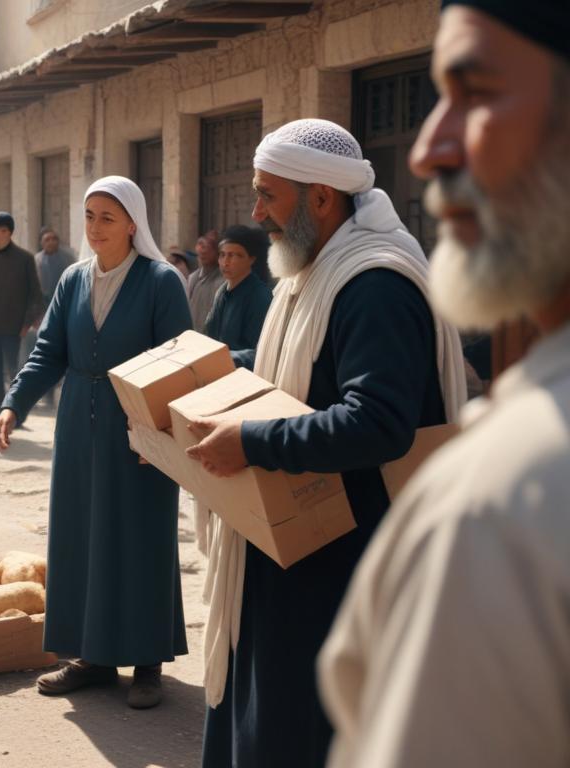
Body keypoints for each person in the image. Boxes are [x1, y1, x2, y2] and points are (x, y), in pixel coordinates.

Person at [320, 4, 570, 766]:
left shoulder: (504, 502)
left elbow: (376, 420)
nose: (428, 150)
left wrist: (254, 436)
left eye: (478, 92)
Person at [186, 118, 467, 768]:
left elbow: (377, 422)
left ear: (321, 197)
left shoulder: (375, 285)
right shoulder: (307, 273)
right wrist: (205, 378)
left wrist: (252, 443)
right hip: (286, 548)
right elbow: (296, 367)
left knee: (302, 735)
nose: (256, 215)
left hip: (337, 567)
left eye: (268, 196)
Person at [0, 176, 190, 709]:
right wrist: (14, 403)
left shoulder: (160, 281)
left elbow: (178, 362)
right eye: (90, 216)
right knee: (83, 536)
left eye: (108, 217)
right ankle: (92, 657)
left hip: (140, 430)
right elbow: (49, 350)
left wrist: (160, 433)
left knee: (139, 537)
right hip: (80, 422)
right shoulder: (73, 280)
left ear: (133, 223)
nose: (96, 227)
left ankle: (147, 662)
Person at [0, 212, 43, 423]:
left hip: (14, 328)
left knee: (15, 373)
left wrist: (27, 323)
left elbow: (35, 295)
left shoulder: (25, 258)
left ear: (7, 232)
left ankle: (16, 414)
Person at [204, 225, 272, 353]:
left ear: (251, 259)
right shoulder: (221, 292)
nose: (225, 262)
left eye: (233, 255)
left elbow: (258, 352)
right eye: (222, 255)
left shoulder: (260, 297)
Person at [31, 226, 77, 405]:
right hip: (44, 313)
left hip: (65, 312)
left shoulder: (68, 259)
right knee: (47, 355)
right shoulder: (37, 260)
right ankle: (47, 393)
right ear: (42, 243)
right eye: (47, 240)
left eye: (54, 239)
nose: (51, 242)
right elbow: (34, 290)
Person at [186, 229, 223, 333]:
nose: (203, 252)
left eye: (210, 248)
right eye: (201, 246)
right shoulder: (193, 278)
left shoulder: (222, 282)